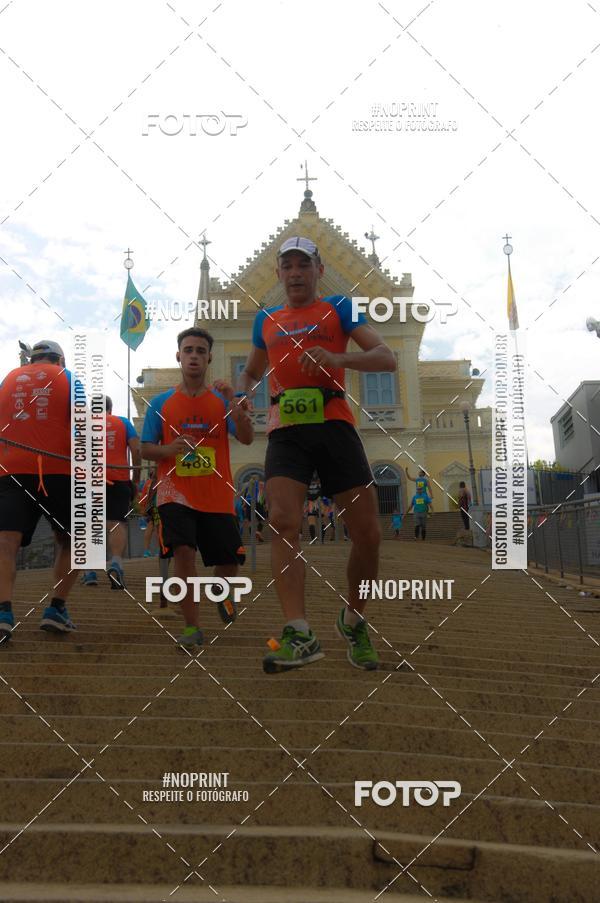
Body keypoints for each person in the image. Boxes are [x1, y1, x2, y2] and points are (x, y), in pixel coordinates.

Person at [237, 235, 396, 673]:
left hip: (334, 422)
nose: (294, 273)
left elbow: (386, 358)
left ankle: (354, 619)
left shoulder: (340, 308)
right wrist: (240, 393)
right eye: (287, 266)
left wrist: (335, 358)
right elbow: (251, 370)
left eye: (302, 265)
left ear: (318, 271)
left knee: (368, 534)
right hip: (286, 429)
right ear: (278, 274)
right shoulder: (265, 319)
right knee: (283, 521)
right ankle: (299, 632)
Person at [141, 327, 253, 648]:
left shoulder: (222, 400)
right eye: (188, 350)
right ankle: (192, 627)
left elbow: (246, 437)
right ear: (179, 356)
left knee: (228, 562)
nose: (193, 356)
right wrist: (170, 449)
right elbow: (146, 449)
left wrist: (234, 401)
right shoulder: (160, 403)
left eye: (200, 351)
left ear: (209, 358)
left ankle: (223, 593)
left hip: (217, 496)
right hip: (174, 493)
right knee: (184, 554)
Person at [0, 340, 81, 640]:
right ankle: (57, 608)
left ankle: (3, 613)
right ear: (60, 359)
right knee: (76, 540)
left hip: (11, 468)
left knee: (5, 542)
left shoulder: (7, 379)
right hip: (59, 468)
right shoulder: (69, 377)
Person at [83, 397, 141, 589]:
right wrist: (135, 480)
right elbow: (136, 450)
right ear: (110, 408)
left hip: (91, 480)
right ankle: (116, 562)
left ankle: (90, 570)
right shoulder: (123, 422)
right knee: (117, 523)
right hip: (119, 478)